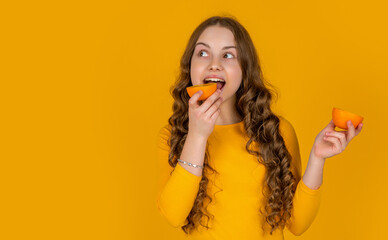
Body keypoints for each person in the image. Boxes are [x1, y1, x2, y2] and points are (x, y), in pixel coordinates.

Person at [155, 15, 363, 239]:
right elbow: (174, 215)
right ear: (190, 66)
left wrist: (318, 157)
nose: (214, 64)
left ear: (245, 68)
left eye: (228, 55)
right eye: (203, 53)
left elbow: (297, 224)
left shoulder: (276, 131)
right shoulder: (173, 135)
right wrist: (197, 136)